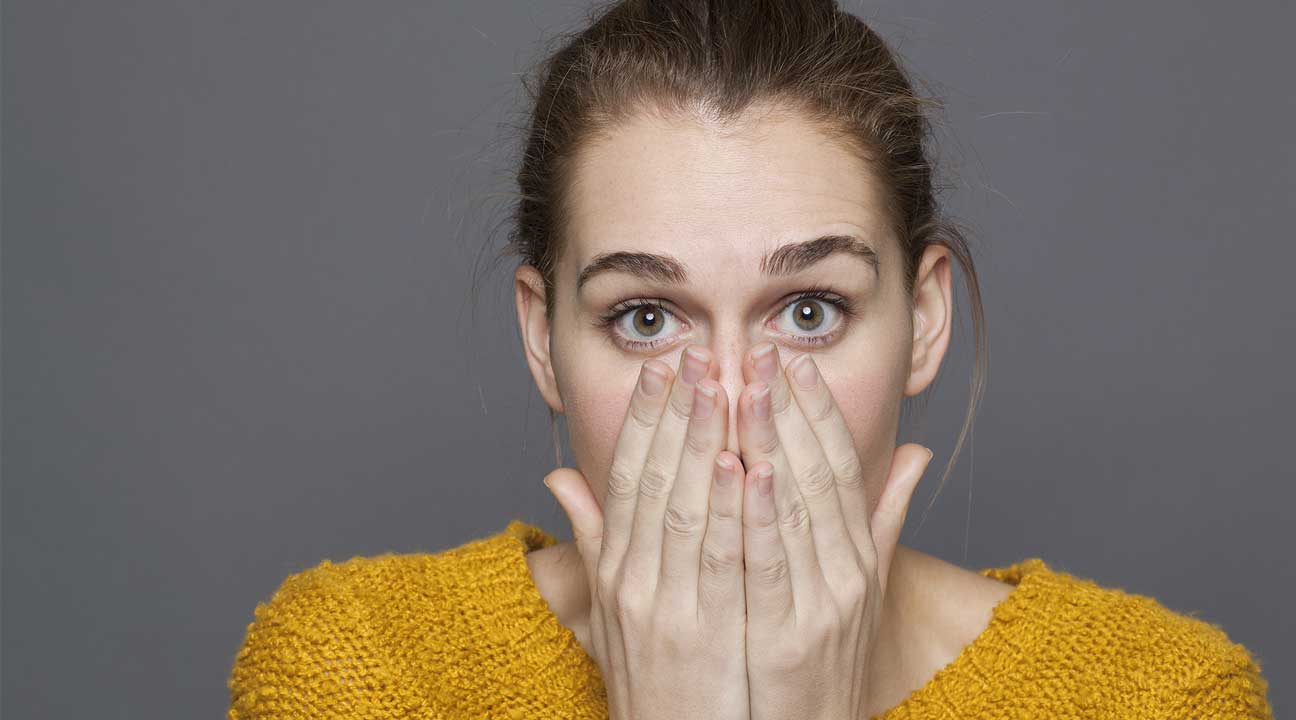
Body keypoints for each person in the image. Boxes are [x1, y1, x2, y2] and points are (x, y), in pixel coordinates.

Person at [226, 1, 1274, 718]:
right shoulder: (360, 674)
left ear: (924, 318)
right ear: (543, 339)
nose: (731, 407)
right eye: (646, 319)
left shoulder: (1156, 698)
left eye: (809, 311)